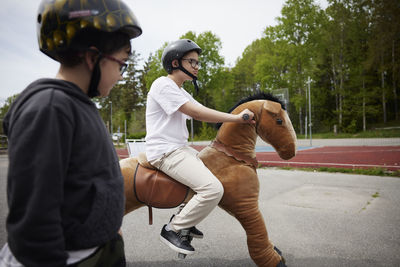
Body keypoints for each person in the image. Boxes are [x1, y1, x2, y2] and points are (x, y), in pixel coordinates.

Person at [0, 0, 141, 266]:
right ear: (92, 57)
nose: (122, 75)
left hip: (98, 248)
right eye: (122, 64)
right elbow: (36, 222)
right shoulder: (50, 109)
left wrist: (109, 229)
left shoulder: (78, 105)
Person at [145, 39, 255, 255]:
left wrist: (232, 118)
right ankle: (173, 228)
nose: (197, 66)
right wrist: (236, 119)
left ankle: (186, 218)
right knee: (213, 189)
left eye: (197, 62)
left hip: (178, 148)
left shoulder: (180, 90)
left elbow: (201, 108)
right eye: (192, 61)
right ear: (175, 63)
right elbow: (196, 113)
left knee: (214, 174)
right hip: (165, 152)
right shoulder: (162, 85)